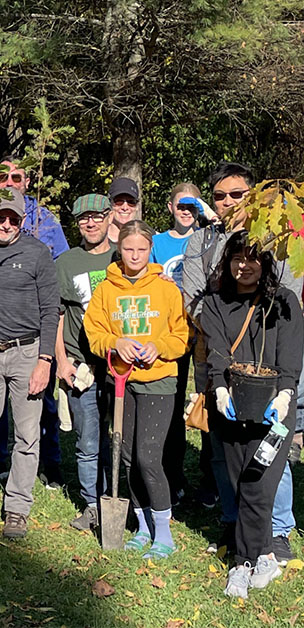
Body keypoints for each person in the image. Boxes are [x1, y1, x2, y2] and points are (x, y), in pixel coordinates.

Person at [182, 162, 302, 559]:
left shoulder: (278, 233)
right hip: (218, 354)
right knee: (222, 446)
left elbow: (289, 295)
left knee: (272, 444)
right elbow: (192, 300)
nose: (228, 201)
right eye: (219, 195)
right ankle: (235, 521)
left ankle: (277, 528)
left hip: (268, 356)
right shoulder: (199, 242)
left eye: (237, 194)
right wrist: (222, 328)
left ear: (252, 195)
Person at [197, 232, 302, 596]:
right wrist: (222, 387)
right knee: (241, 483)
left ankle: (243, 563)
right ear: (227, 262)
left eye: (253, 258)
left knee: (258, 485)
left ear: (266, 262)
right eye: (237, 258)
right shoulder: (215, 302)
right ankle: (265, 557)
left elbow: (290, 355)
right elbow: (217, 351)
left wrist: (287, 394)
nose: (245, 265)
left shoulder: (284, 301)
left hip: (274, 411)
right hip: (231, 406)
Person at [84, 220, 189, 559]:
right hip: (120, 381)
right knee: (127, 456)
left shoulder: (166, 287)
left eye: (141, 249)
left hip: (158, 380)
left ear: (149, 250)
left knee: (148, 456)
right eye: (128, 249)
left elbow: (181, 335)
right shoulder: (106, 288)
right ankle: (142, 527)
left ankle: (164, 531)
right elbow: (94, 332)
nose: (135, 255)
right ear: (119, 249)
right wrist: (116, 342)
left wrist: (159, 346)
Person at [0, 159, 68, 487]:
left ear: (22, 220)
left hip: (28, 351)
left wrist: (45, 360)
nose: (5, 224)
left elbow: (52, 309)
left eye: (12, 219)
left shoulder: (38, 251)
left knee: (27, 435)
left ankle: (19, 505)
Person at [53, 194, 115, 530]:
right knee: (88, 440)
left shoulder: (124, 255)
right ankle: (92, 504)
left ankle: (124, 498)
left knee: (123, 438)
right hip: (82, 364)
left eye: (95, 217)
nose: (90, 224)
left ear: (109, 218)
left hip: (122, 363)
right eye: (82, 219)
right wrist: (62, 361)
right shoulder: (66, 262)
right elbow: (57, 315)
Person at [150, 183, 207, 507]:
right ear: (170, 207)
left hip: (205, 335)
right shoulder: (157, 242)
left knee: (207, 405)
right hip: (171, 335)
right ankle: (172, 477)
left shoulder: (207, 239)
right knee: (170, 408)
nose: (186, 211)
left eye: (192, 205)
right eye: (180, 205)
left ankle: (210, 481)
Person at [0, 158, 69, 259]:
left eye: (16, 178)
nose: (9, 183)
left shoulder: (46, 220)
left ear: (26, 182)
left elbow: (62, 262)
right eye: (3, 177)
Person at [105, 177, 142, 244]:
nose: (125, 208)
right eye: (118, 201)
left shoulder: (149, 237)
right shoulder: (98, 238)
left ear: (137, 206)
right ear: (110, 204)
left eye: (131, 202)